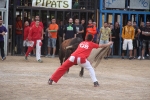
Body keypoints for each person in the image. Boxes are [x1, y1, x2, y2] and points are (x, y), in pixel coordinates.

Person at [48, 34, 113, 87]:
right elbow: (101, 45)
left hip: (73, 57)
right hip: (81, 59)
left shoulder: (81, 43)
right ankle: (95, 82)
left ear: (85, 38)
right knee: (90, 69)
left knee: (62, 67)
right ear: (92, 39)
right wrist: (109, 43)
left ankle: (51, 79)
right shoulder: (92, 44)